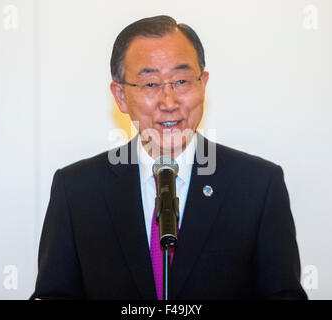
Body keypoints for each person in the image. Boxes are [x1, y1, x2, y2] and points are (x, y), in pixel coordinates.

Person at [30, 15, 307, 300]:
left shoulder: (258, 185)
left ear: (203, 84)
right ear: (121, 96)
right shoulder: (77, 190)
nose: (169, 102)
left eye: (182, 81)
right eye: (150, 84)